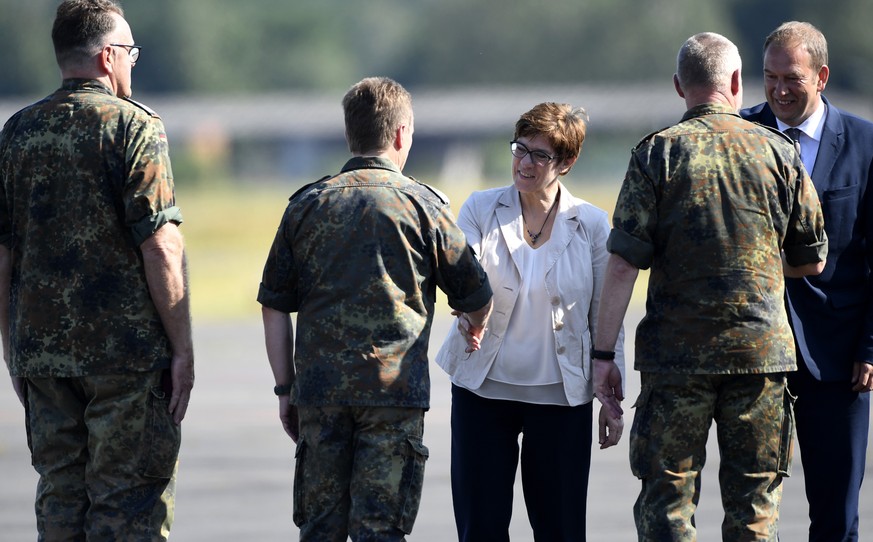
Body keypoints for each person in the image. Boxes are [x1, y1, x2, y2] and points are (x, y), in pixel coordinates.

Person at [592, 32, 828, 540]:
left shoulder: (656, 155)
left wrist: (602, 353)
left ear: (680, 86)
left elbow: (621, 266)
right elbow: (811, 260)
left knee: (668, 506)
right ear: (738, 83)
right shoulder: (779, 153)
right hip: (760, 358)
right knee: (755, 509)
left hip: (676, 361)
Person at [257, 76, 493, 541]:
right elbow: (477, 294)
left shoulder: (307, 205)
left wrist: (286, 387)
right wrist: (473, 324)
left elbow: (274, 306)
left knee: (320, 529)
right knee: (380, 530)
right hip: (393, 395)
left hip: (320, 395)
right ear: (402, 134)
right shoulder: (424, 206)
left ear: (350, 134)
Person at [0, 1, 194, 540]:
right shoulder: (134, 127)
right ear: (108, 57)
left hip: (43, 354)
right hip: (125, 358)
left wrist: (14, 350)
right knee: (129, 505)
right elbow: (160, 247)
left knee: (60, 501)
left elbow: (3, 254)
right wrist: (182, 349)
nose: (132, 63)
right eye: (128, 53)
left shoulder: (16, 133)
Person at [434, 102, 625, 541]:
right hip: (482, 390)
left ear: (567, 163)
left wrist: (611, 392)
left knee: (560, 530)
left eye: (541, 155)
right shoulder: (481, 208)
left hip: (560, 398)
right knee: (480, 529)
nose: (525, 162)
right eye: (520, 149)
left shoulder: (592, 224)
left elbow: (605, 309)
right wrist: (469, 309)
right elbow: (464, 276)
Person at [740, 21, 873, 541]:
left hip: (838, 357)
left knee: (836, 512)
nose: (778, 89)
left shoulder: (865, 144)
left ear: (822, 76)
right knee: (747, 509)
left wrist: (869, 344)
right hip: (752, 350)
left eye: (791, 77)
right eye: (769, 77)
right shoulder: (741, 132)